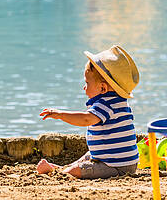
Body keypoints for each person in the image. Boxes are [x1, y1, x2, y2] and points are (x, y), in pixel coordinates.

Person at [36, 45, 140, 179]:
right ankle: (62, 169)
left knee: (78, 170)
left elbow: (86, 119)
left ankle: (57, 172)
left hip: (115, 167)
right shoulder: (117, 101)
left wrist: (61, 115)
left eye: (87, 83)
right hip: (121, 162)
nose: (84, 87)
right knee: (87, 156)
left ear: (103, 88)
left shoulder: (106, 104)